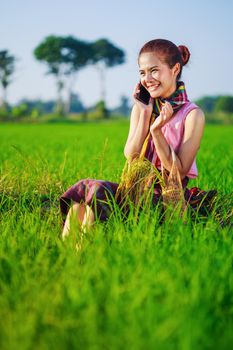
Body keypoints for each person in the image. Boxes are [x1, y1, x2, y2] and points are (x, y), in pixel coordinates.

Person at [60, 38, 206, 239]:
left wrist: (157, 133)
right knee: (88, 191)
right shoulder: (141, 109)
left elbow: (178, 172)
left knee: (96, 193)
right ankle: (69, 255)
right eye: (142, 72)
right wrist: (145, 114)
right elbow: (132, 156)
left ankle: (79, 257)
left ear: (174, 69)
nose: (148, 79)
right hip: (134, 191)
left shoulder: (192, 115)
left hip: (164, 198)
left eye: (154, 70)